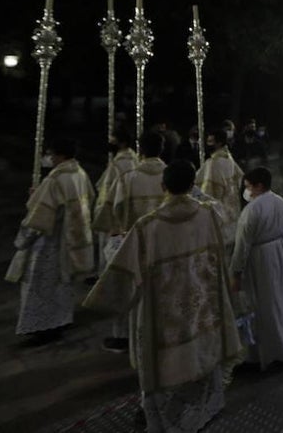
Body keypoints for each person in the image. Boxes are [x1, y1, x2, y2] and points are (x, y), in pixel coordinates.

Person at [83, 159, 244, 432]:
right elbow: (227, 228)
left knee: (164, 366)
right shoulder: (209, 216)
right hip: (203, 308)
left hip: (166, 318)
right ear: (193, 185)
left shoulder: (147, 227)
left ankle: (169, 421)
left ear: (162, 186)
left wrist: (113, 243)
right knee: (203, 359)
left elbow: (121, 273)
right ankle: (204, 410)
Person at [11, 136, 96, 345]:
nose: (48, 158)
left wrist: (23, 240)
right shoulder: (79, 173)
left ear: (60, 155)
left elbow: (38, 218)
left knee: (41, 288)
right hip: (70, 243)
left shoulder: (55, 180)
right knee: (62, 286)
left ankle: (45, 327)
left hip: (49, 243)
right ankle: (62, 319)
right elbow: (90, 200)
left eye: (50, 154)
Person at [98, 130, 165, 353]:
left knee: (129, 291)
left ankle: (125, 337)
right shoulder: (170, 175)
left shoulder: (129, 179)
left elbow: (113, 213)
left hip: (134, 243)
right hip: (163, 244)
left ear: (141, 150)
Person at [230, 166, 283, 371]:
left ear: (259, 186)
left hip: (259, 260)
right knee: (281, 303)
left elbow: (242, 244)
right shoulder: (280, 201)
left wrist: (236, 271)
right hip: (278, 255)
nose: (246, 191)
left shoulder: (252, 209)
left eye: (248, 186)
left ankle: (263, 355)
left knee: (262, 307)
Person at [90, 124, 138, 276]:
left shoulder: (119, 163)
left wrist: (100, 212)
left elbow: (107, 191)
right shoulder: (134, 159)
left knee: (110, 252)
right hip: (130, 212)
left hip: (115, 213)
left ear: (122, 142)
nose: (110, 140)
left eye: (113, 137)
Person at [195, 126, 244, 249]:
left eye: (211, 142)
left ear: (219, 143)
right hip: (233, 211)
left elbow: (208, 193)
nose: (207, 144)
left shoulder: (213, 163)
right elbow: (240, 178)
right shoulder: (229, 158)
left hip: (219, 213)